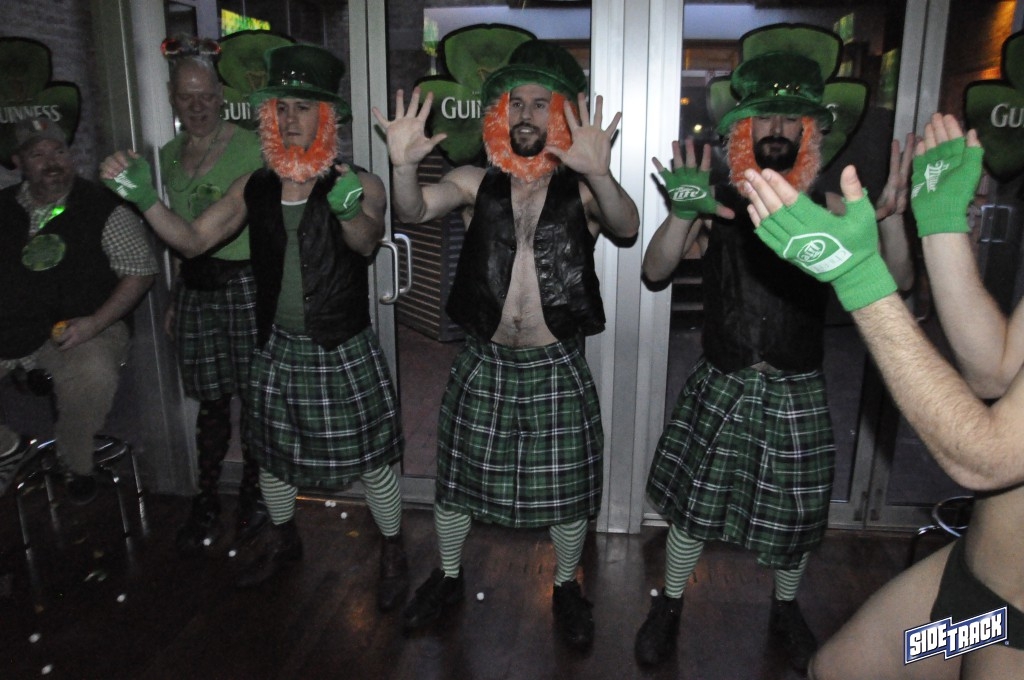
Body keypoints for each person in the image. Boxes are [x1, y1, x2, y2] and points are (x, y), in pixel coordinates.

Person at [634, 24, 914, 672]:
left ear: (810, 129)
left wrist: (894, 219)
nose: (778, 127)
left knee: (795, 518)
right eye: (765, 115)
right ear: (743, 128)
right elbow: (654, 270)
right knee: (693, 510)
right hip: (723, 381)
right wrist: (682, 213)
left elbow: (899, 282)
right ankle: (669, 604)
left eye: (792, 116)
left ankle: (785, 609)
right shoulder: (719, 202)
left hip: (796, 387)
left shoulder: (832, 206)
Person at [100, 45, 409, 609]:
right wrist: (145, 198)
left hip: (339, 344)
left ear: (327, 117)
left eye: (302, 107)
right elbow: (195, 240)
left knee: (371, 459)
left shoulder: (361, 181)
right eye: (280, 108)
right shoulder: (255, 185)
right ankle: (284, 541)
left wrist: (349, 211)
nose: (289, 118)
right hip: (275, 345)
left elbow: (366, 243)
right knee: (271, 454)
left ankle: (393, 550)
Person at [372, 39, 639, 650]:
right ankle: (447, 576)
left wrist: (599, 171)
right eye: (516, 102)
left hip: (556, 362)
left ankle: (566, 588)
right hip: (484, 360)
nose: (526, 114)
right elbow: (413, 211)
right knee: (457, 482)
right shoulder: (474, 181)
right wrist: (403, 166)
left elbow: (626, 228)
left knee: (567, 490)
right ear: (501, 113)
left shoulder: (584, 189)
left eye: (540, 103)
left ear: (561, 113)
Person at [742, 112, 1023, 679]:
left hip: (1017, 623)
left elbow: (986, 457)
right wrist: (940, 222)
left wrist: (857, 278)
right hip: (974, 585)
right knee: (840, 669)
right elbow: (995, 370)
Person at [0, 116, 157, 504]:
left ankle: (74, 459)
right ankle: (6, 447)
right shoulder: (2, 207)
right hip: (11, 326)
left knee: (92, 373)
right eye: (38, 154)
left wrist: (95, 323)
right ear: (19, 162)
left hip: (86, 324)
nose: (52, 162)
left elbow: (140, 272)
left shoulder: (102, 206)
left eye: (58, 151)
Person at [159, 36, 268, 556]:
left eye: (206, 95)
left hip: (245, 284)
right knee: (211, 401)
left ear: (222, 95)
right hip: (197, 288)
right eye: (187, 96)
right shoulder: (167, 156)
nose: (198, 105)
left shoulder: (252, 148)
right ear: (172, 99)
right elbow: (180, 237)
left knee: (255, 400)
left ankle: (252, 498)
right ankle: (206, 499)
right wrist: (175, 297)